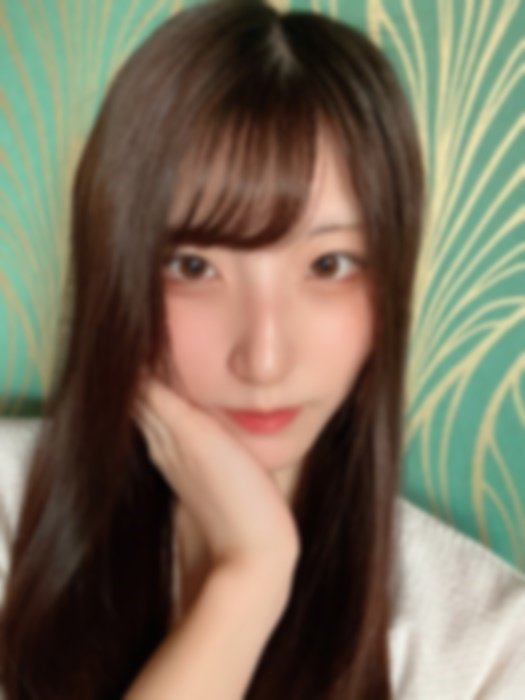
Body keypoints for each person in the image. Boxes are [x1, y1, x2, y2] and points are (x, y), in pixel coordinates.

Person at [0, 0, 524, 698]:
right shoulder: (8, 511)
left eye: (329, 265)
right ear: (118, 274)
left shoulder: (485, 647)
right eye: (193, 266)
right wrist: (249, 577)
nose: (264, 359)